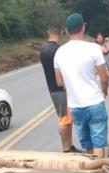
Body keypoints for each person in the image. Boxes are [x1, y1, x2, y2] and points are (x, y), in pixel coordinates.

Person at [53, 13, 109, 161]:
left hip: (75, 106)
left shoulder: (59, 53)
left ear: (67, 31)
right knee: (99, 143)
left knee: (88, 145)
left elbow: (59, 82)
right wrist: (104, 91)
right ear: (83, 28)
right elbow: (104, 77)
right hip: (94, 102)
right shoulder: (93, 48)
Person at [40, 21, 76, 152]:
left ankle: (70, 145)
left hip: (52, 87)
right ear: (61, 32)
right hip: (61, 87)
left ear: (48, 32)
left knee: (67, 117)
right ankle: (66, 148)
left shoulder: (43, 49)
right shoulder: (58, 50)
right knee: (63, 118)